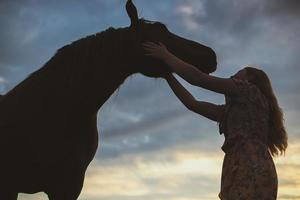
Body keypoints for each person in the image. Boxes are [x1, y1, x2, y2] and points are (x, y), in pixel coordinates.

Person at [143, 42, 287, 199]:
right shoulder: (231, 112)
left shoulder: (249, 91)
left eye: (238, 72)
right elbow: (192, 104)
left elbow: (197, 78)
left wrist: (166, 55)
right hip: (239, 165)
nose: (232, 76)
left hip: (250, 166)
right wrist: (168, 75)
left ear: (250, 78)